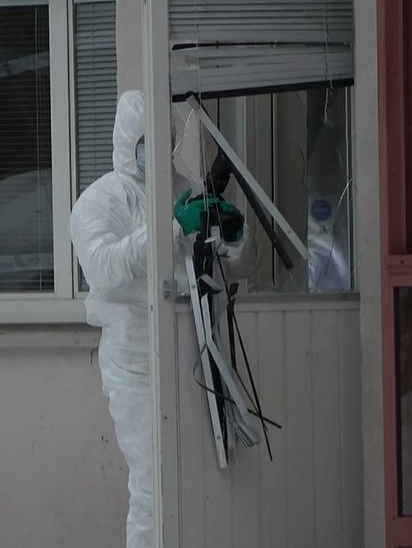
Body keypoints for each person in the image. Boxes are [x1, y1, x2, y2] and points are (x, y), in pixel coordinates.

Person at [70, 90, 254, 548]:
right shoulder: (100, 201)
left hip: (193, 353)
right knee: (153, 486)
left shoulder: (183, 189)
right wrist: (173, 227)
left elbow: (232, 268)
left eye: (163, 139)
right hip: (135, 364)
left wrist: (236, 238)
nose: (154, 149)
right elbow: (103, 268)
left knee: (197, 480)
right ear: (125, 140)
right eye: (144, 140)